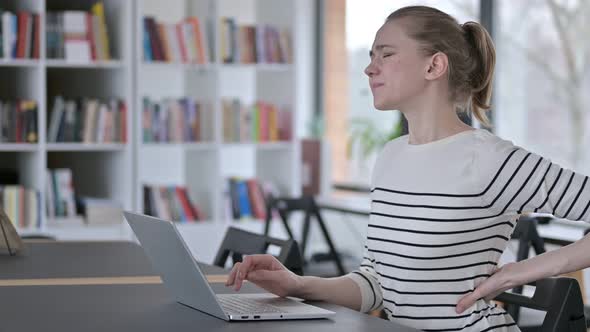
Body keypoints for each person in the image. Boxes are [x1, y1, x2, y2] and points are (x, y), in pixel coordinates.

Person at [226, 5, 590, 331]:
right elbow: (375, 284)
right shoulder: (390, 157)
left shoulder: (490, 158)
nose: (370, 68)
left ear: (434, 65)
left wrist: (522, 271)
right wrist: (298, 284)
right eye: (371, 56)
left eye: (386, 54)